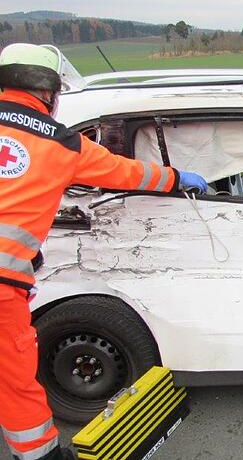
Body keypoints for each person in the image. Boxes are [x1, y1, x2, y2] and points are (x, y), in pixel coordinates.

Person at [0, 43, 207, 460]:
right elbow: (127, 172)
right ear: (49, 92)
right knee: (14, 382)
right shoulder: (61, 143)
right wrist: (176, 178)